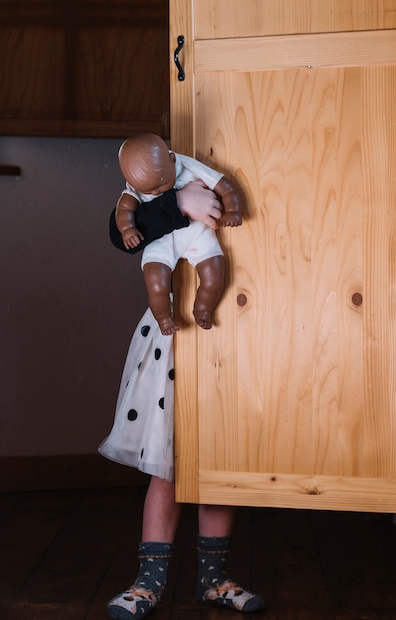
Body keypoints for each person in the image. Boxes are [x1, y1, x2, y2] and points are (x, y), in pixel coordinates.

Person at [100, 187, 265, 619]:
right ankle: (149, 583)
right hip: (176, 338)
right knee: (167, 464)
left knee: (219, 462)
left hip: (235, 331)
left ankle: (213, 580)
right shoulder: (161, 182)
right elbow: (120, 235)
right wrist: (179, 203)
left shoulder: (227, 173)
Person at [115, 133, 243, 335]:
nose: (157, 193)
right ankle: (164, 318)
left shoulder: (187, 165)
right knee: (156, 284)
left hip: (198, 234)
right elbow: (123, 209)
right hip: (162, 241)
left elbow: (223, 186)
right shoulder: (139, 183)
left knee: (214, 275)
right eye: (150, 192)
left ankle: (203, 309)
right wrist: (127, 229)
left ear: (172, 158)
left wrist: (233, 210)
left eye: (161, 185)